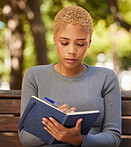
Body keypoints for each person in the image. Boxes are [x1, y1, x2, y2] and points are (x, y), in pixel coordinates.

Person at [19, 6, 122, 147]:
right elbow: (25, 137)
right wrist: (55, 124)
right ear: (55, 40)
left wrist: (78, 140)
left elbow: (114, 136)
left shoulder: (106, 78)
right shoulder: (34, 76)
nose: (72, 50)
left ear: (89, 42)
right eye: (64, 43)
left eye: (80, 44)